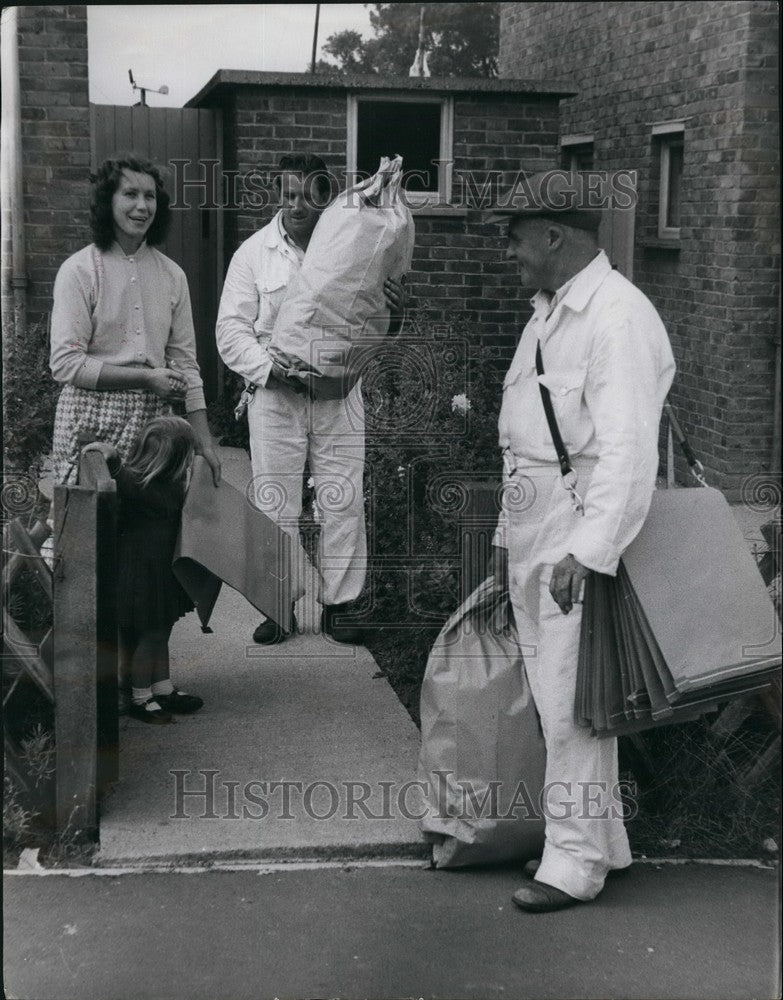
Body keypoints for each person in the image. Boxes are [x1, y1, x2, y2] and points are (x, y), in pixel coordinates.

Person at [488, 172, 675, 912]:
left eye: (515, 236)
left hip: (577, 529)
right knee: (560, 694)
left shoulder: (616, 318)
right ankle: (600, 842)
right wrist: (512, 537)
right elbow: (526, 438)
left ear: (553, 235)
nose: (509, 252)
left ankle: (572, 864)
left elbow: (628, 452)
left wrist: (587, 551)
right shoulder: (549, 313)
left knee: (571, 703)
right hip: (537, 523)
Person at [216, 153, 407, 645]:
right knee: (274, 499)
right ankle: (277, 605)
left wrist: (396, 315)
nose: (297, 204)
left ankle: (341, 605)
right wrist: (271, 369)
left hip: (340, 395)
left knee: (342, 498)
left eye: (308, 194)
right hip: (276, 396)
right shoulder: (254, 254)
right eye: (288, 193)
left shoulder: (356, 244)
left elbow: (372, 322)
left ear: (327, 198)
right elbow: (230, 331)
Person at [49, 154, 221, 488]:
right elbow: (66, 364)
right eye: (130, 194)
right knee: (88, 529)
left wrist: (205, 442)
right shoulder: (79, 270)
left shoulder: (172, 275)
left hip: (155, 425)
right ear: (106, 201)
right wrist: (146, 378)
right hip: (89, 420)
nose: (142, 206)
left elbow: (186, 366)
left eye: (150, 196)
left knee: (149, 527)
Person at [83, 417, 204, 725]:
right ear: (177, 459)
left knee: (158, 634)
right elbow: (124, 478)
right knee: (151, 637)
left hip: (152, 575)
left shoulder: (155, 484)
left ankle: (160, 687)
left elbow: (125, 477)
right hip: (144, 578)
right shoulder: (157, 489)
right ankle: (141, 697)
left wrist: (114, 457)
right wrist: (113, 459)